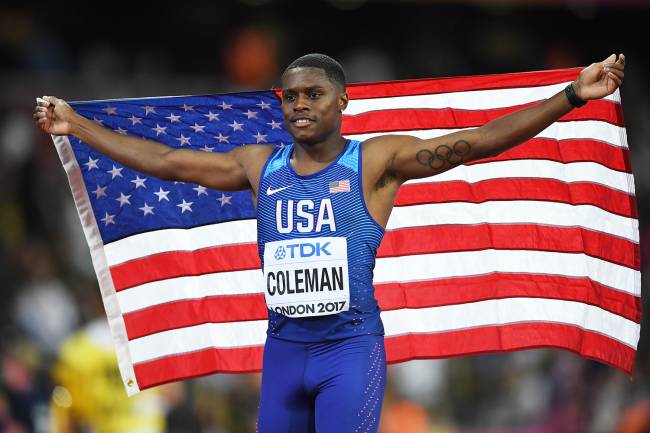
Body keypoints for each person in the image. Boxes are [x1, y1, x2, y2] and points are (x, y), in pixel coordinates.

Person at [34, 52, 625, 433]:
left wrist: (571, 96)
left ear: (343, 101)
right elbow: (167, 162)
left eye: (313, 94)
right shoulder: (258, 163)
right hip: (285, 352)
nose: (300, 105)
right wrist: (77, 125)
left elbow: (477, 142)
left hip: (349, 351)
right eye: (290, 96)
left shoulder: (376, 161)